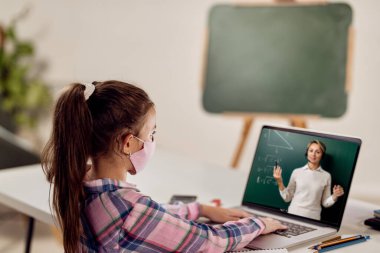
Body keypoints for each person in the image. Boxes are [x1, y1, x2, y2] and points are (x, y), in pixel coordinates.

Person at [41, 80, 287, 253]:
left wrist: (197, 209)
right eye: (151, 133)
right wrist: (259, 223)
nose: (152, 142)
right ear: (128, 143)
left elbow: (153, 218)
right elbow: (210, 241)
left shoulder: (79, 183)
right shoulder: (130, 210)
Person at [273, 140, 345, 220]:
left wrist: (335, 196)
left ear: (322, 155)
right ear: (307, 153)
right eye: (311, 151)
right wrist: (279, 181)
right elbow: (287, 198)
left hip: (313, 219)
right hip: (293, 215)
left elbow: (325, 203)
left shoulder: (326, 176)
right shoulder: (297, 172)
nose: (313, 154)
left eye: (318, 152)